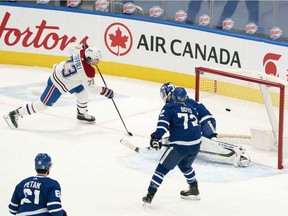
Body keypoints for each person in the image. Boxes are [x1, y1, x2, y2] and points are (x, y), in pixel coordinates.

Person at [3, 42, 114, 129]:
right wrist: (105, 91)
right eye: (96, 59)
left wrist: (81, 46)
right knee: (43, 105)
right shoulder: (87, 70)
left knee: (82, 92)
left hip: (66, 76)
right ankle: (15, 114)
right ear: (89, 58)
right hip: (58, 83)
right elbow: (92, 89)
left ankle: (81, 113)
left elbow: (70, 47)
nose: (97, 61)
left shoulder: (80, 52)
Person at [159, 82, 251, 167]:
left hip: (205, 122)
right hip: (200, 124)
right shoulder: (180, 100)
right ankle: (236, 154)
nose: (164, 97)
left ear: (169, 93)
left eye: (164, 94)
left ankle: (238, 152)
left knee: (213, 143)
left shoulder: (172, 104)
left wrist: (158, 137)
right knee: (199, 144)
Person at [142, 87, 202, 205]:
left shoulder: (169, 107)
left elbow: (163, 125)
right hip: (196, 144)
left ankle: (149, 196)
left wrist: (156, 138)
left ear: (173, 97)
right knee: (185, 165)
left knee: (161, 170)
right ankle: (194, 188)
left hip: (180, 146)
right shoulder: (192, 108)